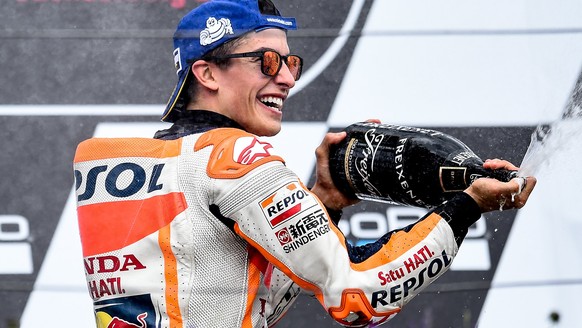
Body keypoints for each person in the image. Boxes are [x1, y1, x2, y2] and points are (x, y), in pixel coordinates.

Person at [72, 0, 536, 327]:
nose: (289, 77)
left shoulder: (110, 165)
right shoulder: (233, 158)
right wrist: (465, 206)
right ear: (207, 72)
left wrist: (326, 203)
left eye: (291, 60)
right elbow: (360, 297)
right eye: (267, 61)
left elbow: (240, 305)